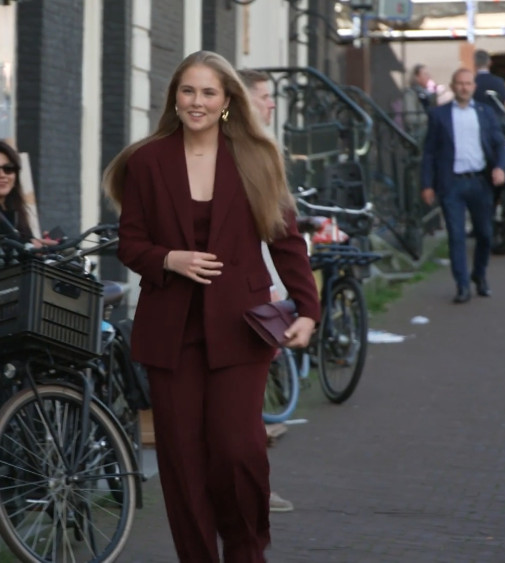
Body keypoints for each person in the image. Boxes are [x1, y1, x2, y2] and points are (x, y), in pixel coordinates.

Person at [105, 51, 320, 561]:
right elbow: (129, 243)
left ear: (227, 101)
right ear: (174, 98)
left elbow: (287, 242)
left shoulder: (256, 158)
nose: (196, 101)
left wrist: (307, 310)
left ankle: (247, 550)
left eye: (208, 92)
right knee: (182, 463)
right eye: (187, 91)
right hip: (170, 333)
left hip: (239, 329)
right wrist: (169, 258)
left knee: (238, 452)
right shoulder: (147, 161)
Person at [238, 66, 295, 515]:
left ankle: (253, 489)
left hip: (265, 295)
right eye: (263, 96)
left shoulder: (265, 154)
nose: (271, 103)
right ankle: (251, 493)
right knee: (241, 408)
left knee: (247, 405)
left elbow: (282, 232)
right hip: (247, 299)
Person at [421, 69, 505, 304]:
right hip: (452, 184)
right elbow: (429, 152)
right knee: (456, 236)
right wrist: (427, 184)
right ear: (452, 85)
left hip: (480, 182)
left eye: (468, 84)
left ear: (474, 87)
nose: (464, 88)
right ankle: (462, 285)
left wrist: (500, 167)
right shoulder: (439, 115)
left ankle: (479, 275)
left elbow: (500, 144)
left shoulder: (485, 113)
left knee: (485, 234)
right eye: (459, 84)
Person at [400, 64, 437, 140]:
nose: (428, 77)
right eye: (425, 74)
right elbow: (410, 118)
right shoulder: (410, 94)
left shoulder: (428, 94)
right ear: (417, 77)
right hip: (417, 134)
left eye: (428, 74)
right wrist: (429, 117)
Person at [473, 49, 505, 114]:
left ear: (475, 63)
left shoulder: (472, 83)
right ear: (489, 63)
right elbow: (504, 101)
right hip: (497, 119)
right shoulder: (499, 82)